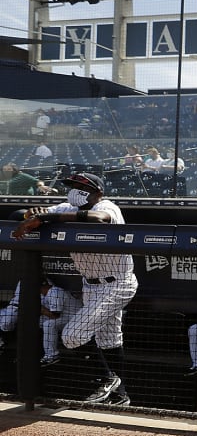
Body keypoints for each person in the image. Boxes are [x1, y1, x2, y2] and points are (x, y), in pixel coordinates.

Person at [13, 173, 139, 406]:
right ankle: (122, 395)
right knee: (109, 340)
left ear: (97, 191)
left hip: (118, 282)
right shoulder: (67, 205)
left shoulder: (107, 206)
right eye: (71, 186)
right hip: (90, 285)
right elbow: (20, 214)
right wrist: (35, 215)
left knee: (72, 335)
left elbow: (98, 219)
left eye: (80, 186)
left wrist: (51, 217)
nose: (73, 190)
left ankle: (106, 379)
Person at [40, 276, 80, 366]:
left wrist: (41, 309)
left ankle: (51, 355)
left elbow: (55, 315)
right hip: (65, 317)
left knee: (48, 324)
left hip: (76, 318)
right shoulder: (46, 294)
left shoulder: (55, 292)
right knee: (38, 321)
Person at [0, 282, 19, 352]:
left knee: (6, 323)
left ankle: (4, 343)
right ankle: (2, 342)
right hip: (11, 307)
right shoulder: (22, 280)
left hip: (20, 309)